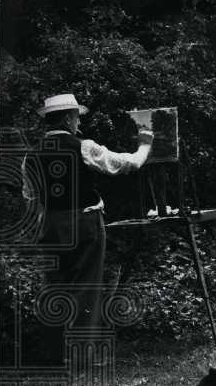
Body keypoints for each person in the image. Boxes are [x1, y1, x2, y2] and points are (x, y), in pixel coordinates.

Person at [23, 93, 153, 363]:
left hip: (50, 224)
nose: (77, 122)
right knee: (86, 285)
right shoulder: (82, 146)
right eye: (76, 117)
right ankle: (82, 355)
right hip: (83, 222)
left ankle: (54, 355)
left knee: (54, 287)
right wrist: (144, 147)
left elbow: (30, 197)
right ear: (69, 118)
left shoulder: (31, 155)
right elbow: (124, 164)